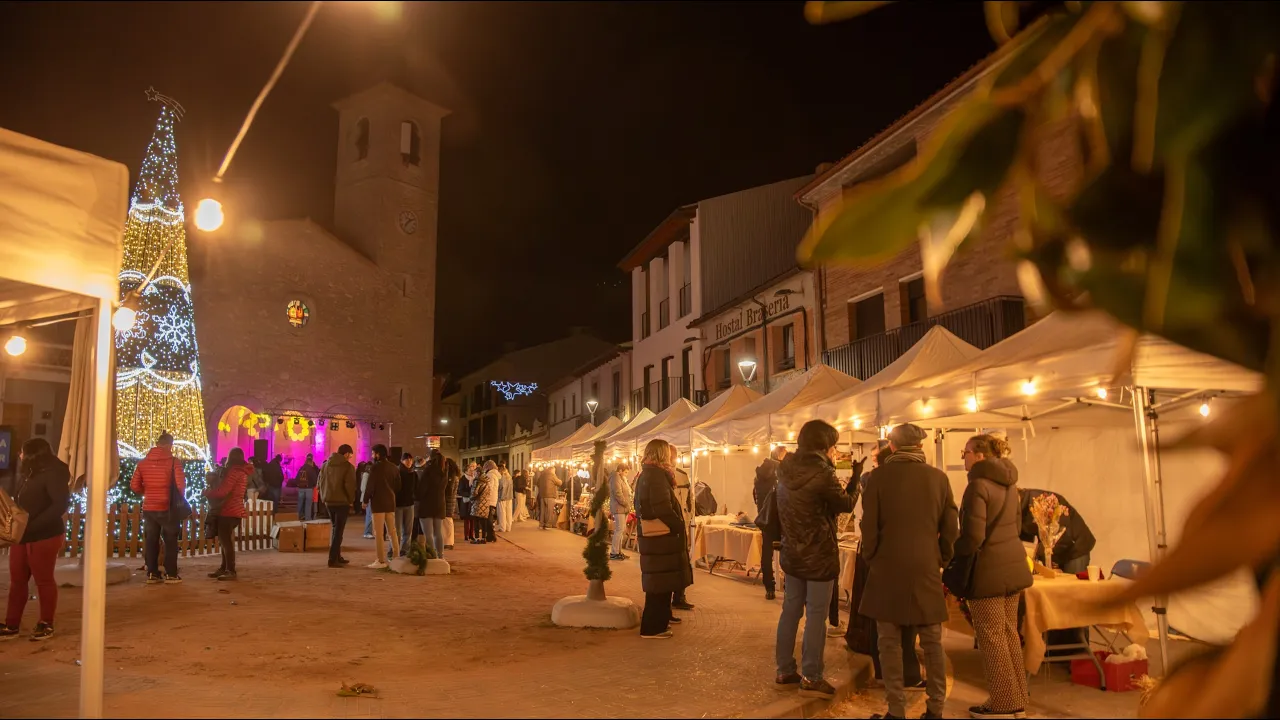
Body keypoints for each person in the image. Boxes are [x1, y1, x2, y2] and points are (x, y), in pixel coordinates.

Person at [859, 424, 957, 719]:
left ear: (893, 446)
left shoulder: (877, 478)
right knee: (931, 643)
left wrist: (872, 557)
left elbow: (869, 527)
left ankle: (896, 711)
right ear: (920, 447)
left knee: (888, 643)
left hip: (887, 569)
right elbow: (951, 528)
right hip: (925, 568)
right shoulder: (939, 479)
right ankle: (935, 710)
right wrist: (940, 558)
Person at [773, 421, 855, 699]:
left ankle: (784, 670)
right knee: (816, 617)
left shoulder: (783, 470)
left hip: (792, 553)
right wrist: (855, 480)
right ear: (826, 445)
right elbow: (845, 504)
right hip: (819, 556)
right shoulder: (823, 473)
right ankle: (811, 675)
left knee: (790, 612)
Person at [956, 434, 1033, 720]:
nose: (962, 457)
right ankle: (1017, 698)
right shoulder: (1011, 485)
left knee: (991, 636)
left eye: (964, 452)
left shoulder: (977, 486)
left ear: (978, 455)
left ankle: (1003, 703)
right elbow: (1017, 526)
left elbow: (973, 536)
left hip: (987, 571)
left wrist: (955, 553)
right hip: (1012, 567)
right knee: (1008, 632)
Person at [845, 444, 926, 692]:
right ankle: (905, 677)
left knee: (882, 621)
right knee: (903, 622)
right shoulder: (905, 484)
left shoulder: (874, 481)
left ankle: (887, 673)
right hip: (899, 561)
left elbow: (868, 522)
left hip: (880, 559)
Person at [0, 439, 70, 640]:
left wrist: (32, 526)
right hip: (22, 534)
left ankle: (46, 623)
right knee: (17, 580)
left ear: (33, 455)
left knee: (43, 580)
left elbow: (59, 506)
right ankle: (12, 624)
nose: (20, 455)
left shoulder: (54, 473)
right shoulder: (29, 471)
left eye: (23, 452)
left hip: (44, 534)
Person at [633, 439, 693, 639]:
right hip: (661, 539)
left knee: (659, 584)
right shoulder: (656, 476)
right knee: (659, 585)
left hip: (657, 541)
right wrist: (678, 524)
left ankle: (657, 623)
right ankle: (653, 628)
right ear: (661, 454)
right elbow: (662, 507)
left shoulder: (647, 474)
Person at [131, 432, 185, 584]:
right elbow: (180, 486)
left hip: (149, 507)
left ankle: (152, 573)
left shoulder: (142, 463)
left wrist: (148, 492)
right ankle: (171, 574)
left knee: (151, 540)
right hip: (168, 507)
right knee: (170, 540)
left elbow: (134, 486)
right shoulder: (174, 462)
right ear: (169, 445)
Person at [204, 447, 250, 580]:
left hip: (228, 510)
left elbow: (224, 491)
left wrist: (208, 492)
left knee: (226, 542)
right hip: (234, 509)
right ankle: (224, 568)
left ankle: (230, 570)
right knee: (225, 541)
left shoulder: (234, 472)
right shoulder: (241, 472)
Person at [754, 446, 787, 600]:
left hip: (766, 519)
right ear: (780, 455)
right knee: (787, 552)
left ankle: (769, 587)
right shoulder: (780, 472)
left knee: (767, 554)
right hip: (781, 519)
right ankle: (788, 585)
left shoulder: (758, 476)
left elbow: (756, 497)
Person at [318, 444, 357, 568]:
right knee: (339, 531)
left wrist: (323, 497)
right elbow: (349, 486)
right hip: (342, 502)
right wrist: (351, 500)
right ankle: (332, 559)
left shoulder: (325, 465)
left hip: (329, 501)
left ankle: (337, 556)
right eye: (350, 455)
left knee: (335, 529)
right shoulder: (347, 467)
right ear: (346, 454)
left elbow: (320, 482)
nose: (350, 457)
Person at [363, 445, 401, 568]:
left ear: (378, 454)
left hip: (378, 503)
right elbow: (398, 486)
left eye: (373, 453)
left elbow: (370, 486)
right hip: (390, 502)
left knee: (378, 533)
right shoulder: (394, 467)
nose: (372, 456)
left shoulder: (375, 468)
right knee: (392, 531)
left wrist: (365, 500)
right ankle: (396, 557)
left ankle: (380, 560)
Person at [671, 462, 696, 612]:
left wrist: (688, 515)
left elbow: (689, 499)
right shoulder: (661, 476)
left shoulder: (682, 476)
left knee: (682, 562)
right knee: (675, 563)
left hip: (682, 523)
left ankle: (679, 595)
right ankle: (677, 597)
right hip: (673, 525)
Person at [416, 452, 447, 558]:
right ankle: (441, 555)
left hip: (427, 505)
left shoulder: (428, 471)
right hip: (440, 505)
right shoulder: (443, 472)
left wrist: (417, 496)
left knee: (428, 534)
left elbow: (422, 489)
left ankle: (432, 555)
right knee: (438, 532)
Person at [608, 464, 634, 560]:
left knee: (621, 530)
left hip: (623, 508)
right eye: (626, 472)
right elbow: (617, 493)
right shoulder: (616, 478)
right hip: (619, 507)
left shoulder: (622, 478)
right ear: (620, 470)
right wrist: (625, 503)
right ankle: (614, 552)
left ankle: (618, 551)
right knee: (619, 530)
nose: (626, 474)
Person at [394, 453, 417, 558]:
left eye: (410, 460)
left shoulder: (413, 474)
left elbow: (416, 488)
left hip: (410, 504)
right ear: (402, 461)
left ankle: (405, 550)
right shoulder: (397, 472)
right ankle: (394, 550)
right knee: (397, 530)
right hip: (398, 505)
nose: (409, 462)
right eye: (406, 460)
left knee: (408, 530)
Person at [294, 453, 320, 522]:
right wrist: (314, 485)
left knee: (300, 503)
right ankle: (307, 519)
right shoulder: (311, 469)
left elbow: (296, 479)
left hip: (301, 488)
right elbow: (315, 479)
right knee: (308, 504)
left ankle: (298, 517)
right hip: (309, 489)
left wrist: (298, 485)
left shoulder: (301, 468)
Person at [442, 458, 460, 550]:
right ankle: (448, 541)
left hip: (448, 501)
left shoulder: (452, 477)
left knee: (447, 522)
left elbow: (449, 491)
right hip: (451, 501)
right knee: (448, 522)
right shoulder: (455, 476)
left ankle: (448, 542)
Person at [459, 461, 476, 542]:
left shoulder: (474, 479)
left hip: (472, 501)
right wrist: (469, 494)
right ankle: (466, 535)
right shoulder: (462, 479)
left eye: (472, 469)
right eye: (470, 469)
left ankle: (471, 535)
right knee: (466, 519)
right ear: (465, 471)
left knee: (472, 519)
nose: (472, 471)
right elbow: (460, 491)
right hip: (466, 501)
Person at [358, 460, 374, 539]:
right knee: (369, 515)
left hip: (371, 497)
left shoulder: (368, 474)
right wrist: (365, 499)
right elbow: (363, 488)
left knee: (370, 515)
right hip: (368, 497)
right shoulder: (366, 474)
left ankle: (368, 532)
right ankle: (367, 532)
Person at [496, 462, 514, 533]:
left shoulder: (501, 477)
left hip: (502, 496)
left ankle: (502, 527)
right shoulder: (509, 477)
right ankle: (508, 527)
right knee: (509, 512)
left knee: (502, 512)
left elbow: (501, 486)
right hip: (509, 496)